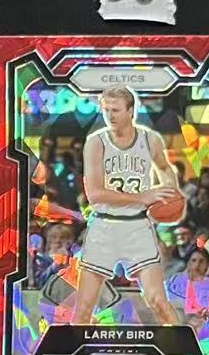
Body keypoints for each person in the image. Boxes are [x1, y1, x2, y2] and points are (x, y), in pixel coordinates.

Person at [69, 88, 182, 327]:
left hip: (138, 227)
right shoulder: (96, 142)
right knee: (84, 309)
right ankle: (75, 352)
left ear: (131, 111)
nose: (110, 115)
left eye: (116, 110)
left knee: (159, 302)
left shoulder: (150, 139)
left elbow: (164, 167)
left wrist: (170, 189)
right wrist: (143, 197)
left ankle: (183, 350)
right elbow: (95, 194)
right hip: (104, 226)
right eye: (106, 110)